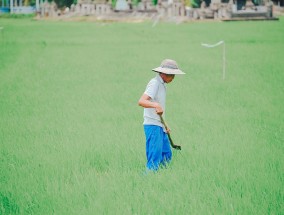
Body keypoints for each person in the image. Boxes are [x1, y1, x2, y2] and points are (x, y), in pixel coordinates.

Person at [138, 59, 185, 171]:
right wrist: (155, 105)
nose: (173, 78)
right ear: (164, 73)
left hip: (159, 125)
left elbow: (159, 110)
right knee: (154, 158)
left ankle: (161, 177)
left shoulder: (162, 84)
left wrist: (165, 125)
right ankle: (148, 179)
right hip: (152, 126)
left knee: (166, 155)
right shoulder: (155, 83)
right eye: (172, 75)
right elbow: (141, 101)